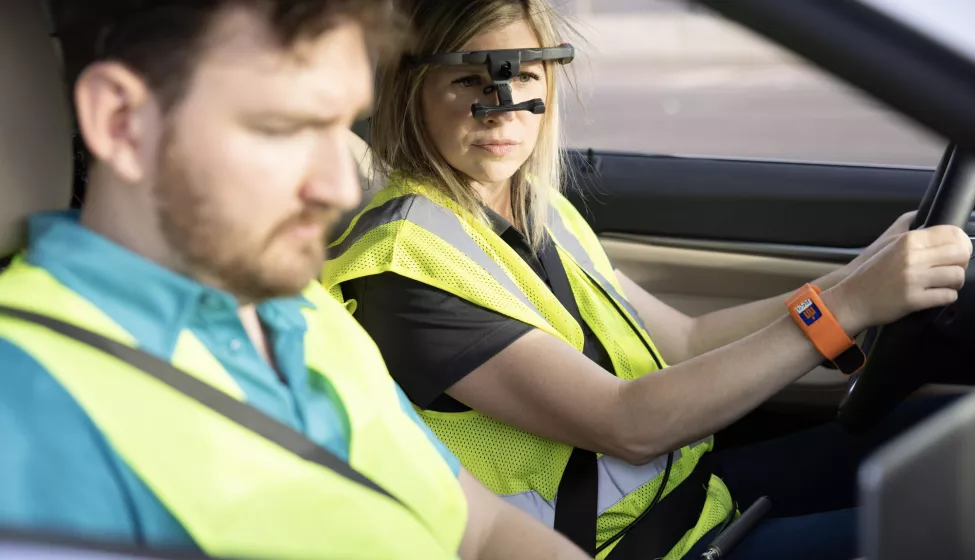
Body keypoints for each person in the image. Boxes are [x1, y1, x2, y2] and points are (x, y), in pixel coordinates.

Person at [320, 0, 974, 558]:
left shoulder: (531, 208)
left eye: (522, 71)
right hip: (633, 545)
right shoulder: (402, 271)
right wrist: (849, 307)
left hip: (692, 498)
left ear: (550, 78)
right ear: (413, 91)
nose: (500, 107)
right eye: (467, 78)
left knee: (952, 442)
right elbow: (626, 422)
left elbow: (686, 339)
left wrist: (856, 277)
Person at [0, 1, 590, 558]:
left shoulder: (303, 308)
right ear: (123, 123)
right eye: (285, 128)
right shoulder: (27, 400)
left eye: (339, 128)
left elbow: (480, 529)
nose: (337, 187)